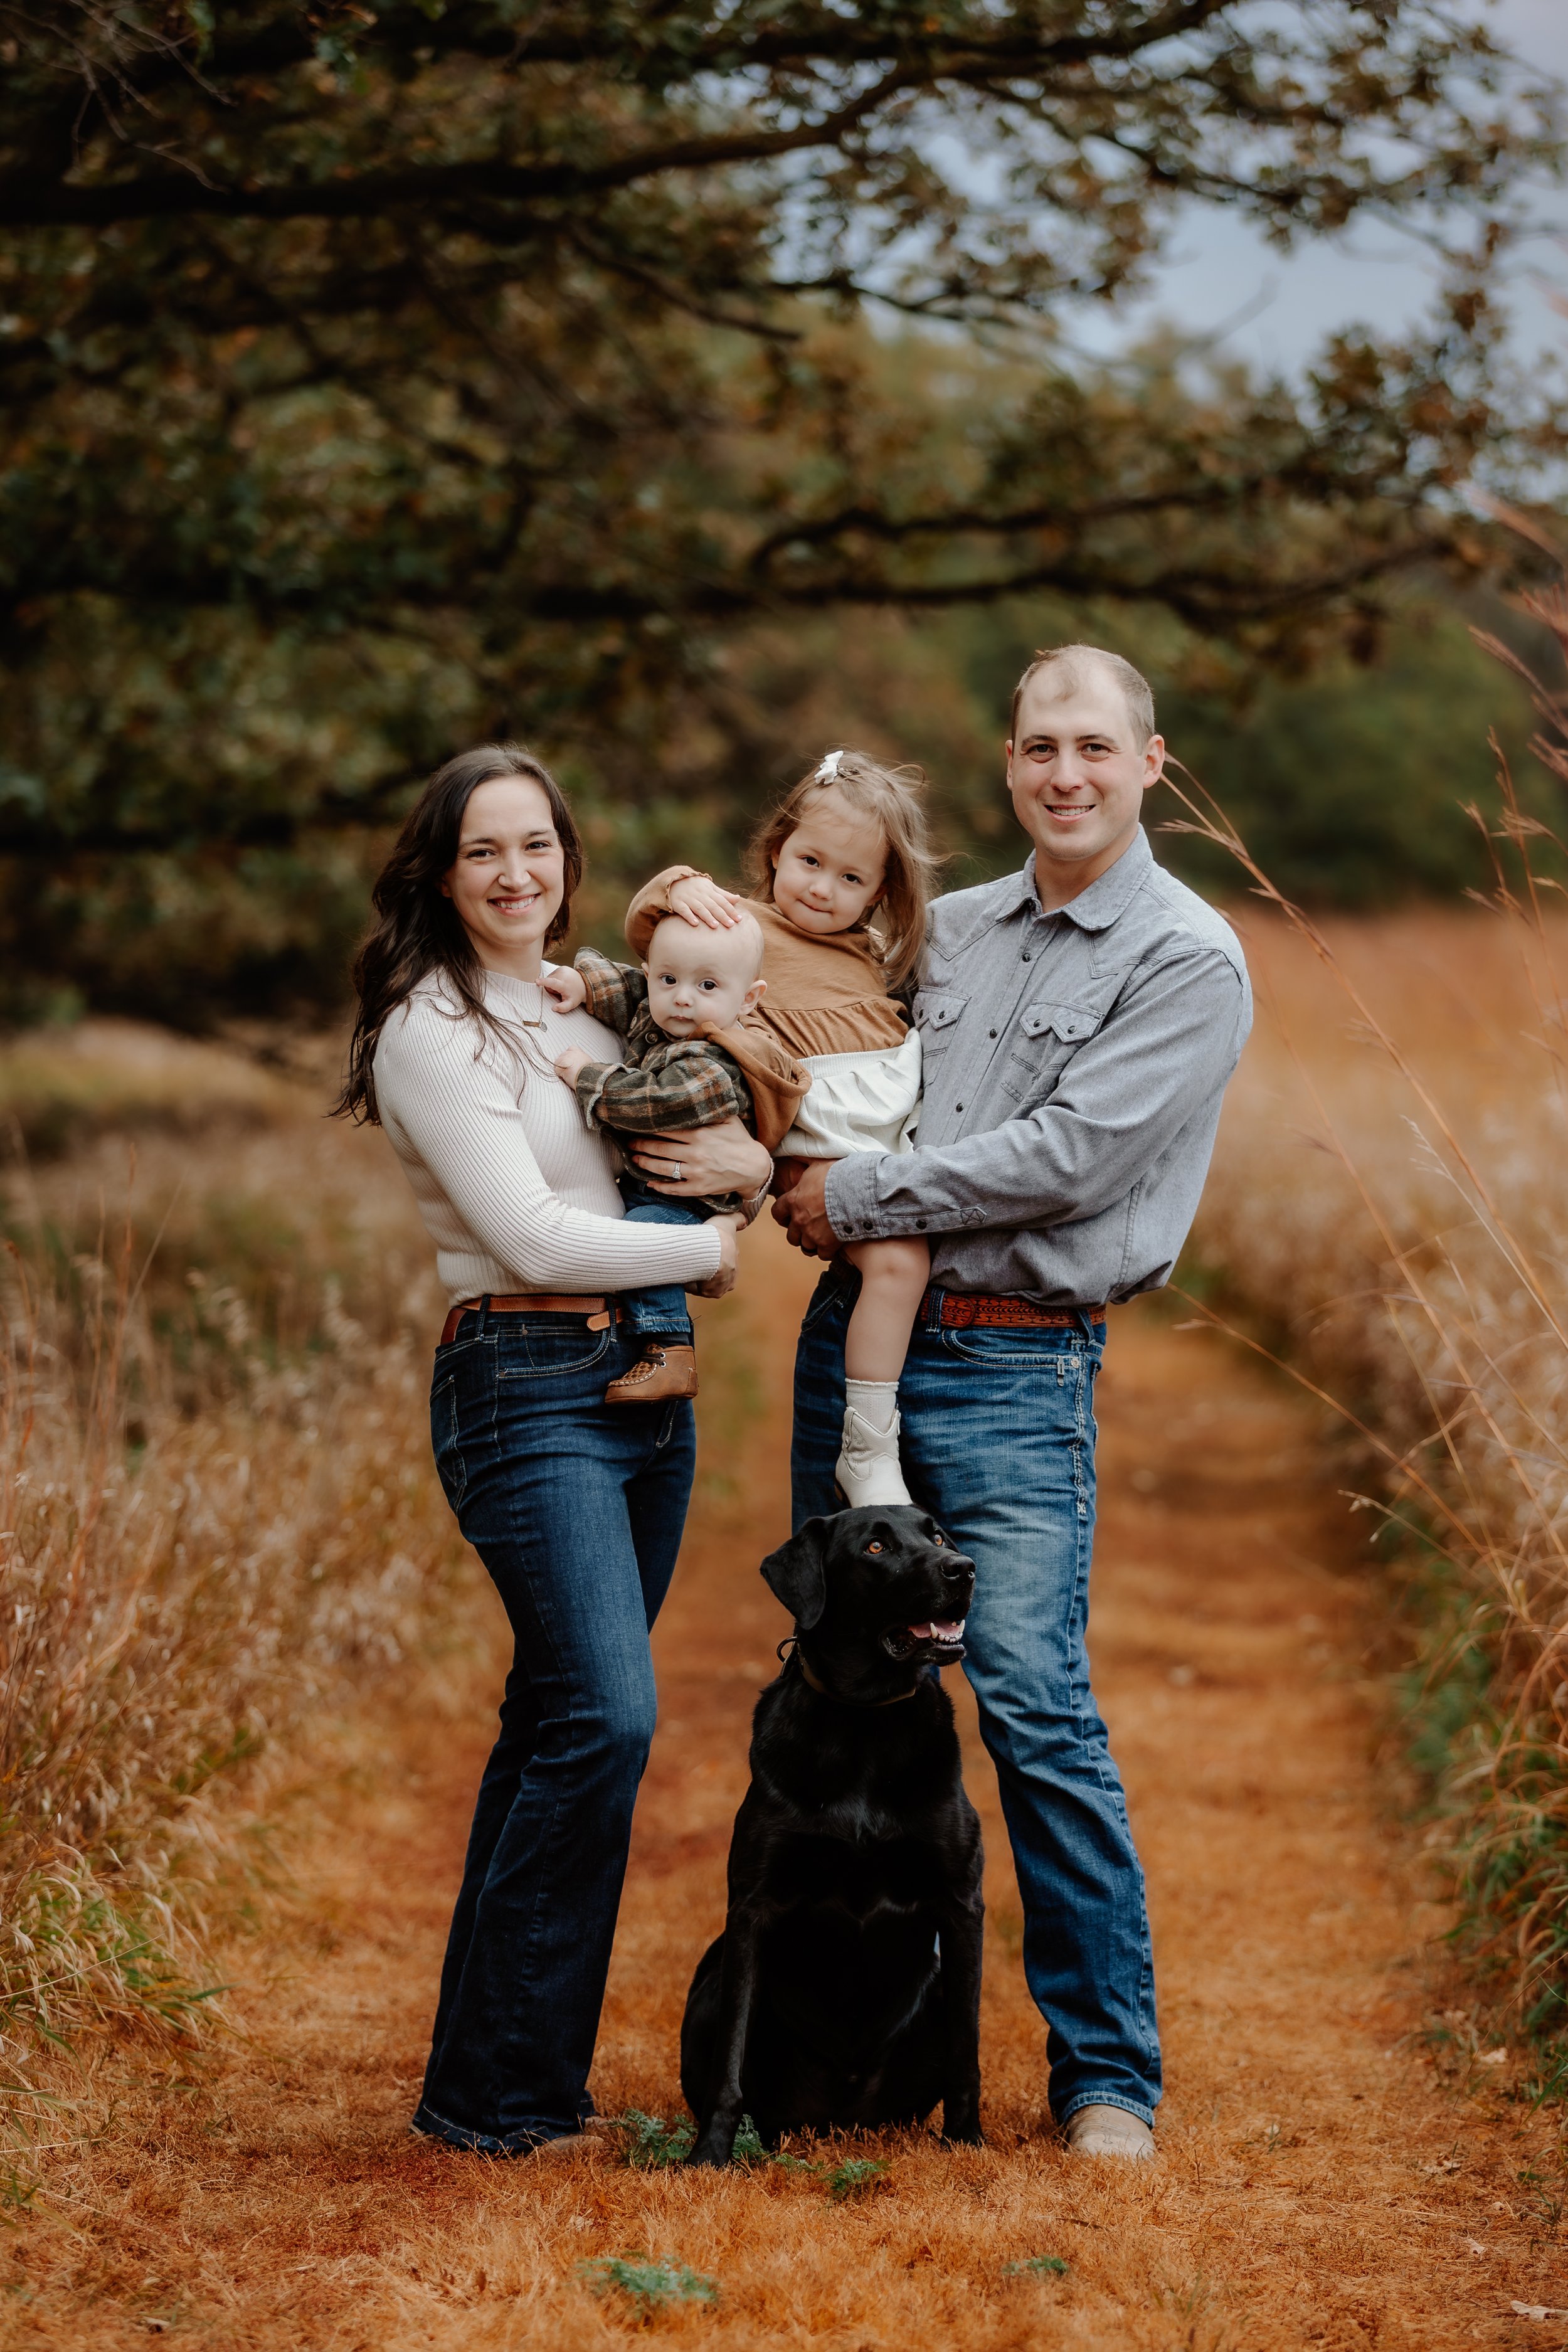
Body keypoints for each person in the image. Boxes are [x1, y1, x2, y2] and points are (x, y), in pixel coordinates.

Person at [773, 648, 1253, 2161]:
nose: (1065, 772)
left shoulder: (1188, 957)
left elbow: (1068, 1157)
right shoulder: (951, 929)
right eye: (1039, 744)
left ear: (1149, 760)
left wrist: (854, 1189)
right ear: (1007, 760)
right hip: (861, 1336)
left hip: (1016, 1364)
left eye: (1094, 747)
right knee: (833, 1676)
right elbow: (812, 1011)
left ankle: (1106, 2072)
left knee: (1034, 1705)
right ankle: (820, 2047)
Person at [334, 741, 772, 2156]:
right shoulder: (431, 1028)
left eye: (538, 845)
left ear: (570, 861)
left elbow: (715, 1125)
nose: (517, 874)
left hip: (640, 1386)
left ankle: (498, 2093)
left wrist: (749, 1176)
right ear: (440, 873)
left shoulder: (589, 1020)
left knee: (556, 1727)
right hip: (522, 1379)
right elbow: (524, 1236)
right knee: (607, 1717)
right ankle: (504, 2096)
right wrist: (707, 1250)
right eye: (483, 851)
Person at [625, 748, 940, 1507]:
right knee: (901, 1264)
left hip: (869, 1140)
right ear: (776, 851)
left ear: (880, 893)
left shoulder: (874, 957)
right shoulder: (739, 928)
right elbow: (652, 933)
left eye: (851, 878)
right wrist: (682, 885)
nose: (822, 889)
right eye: (809, 861)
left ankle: (867, 1431)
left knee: (898, 1264)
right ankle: (868, 1446)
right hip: (807, 1132)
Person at [543, 908, 810, 1404]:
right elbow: (630, 993)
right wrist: (584, 984)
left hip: (692, 1201)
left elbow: (657, 1102)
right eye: (668, 978)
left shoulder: (716, 1062)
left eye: (708, 986)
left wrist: (589, 1076)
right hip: (656, 1184)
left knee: (649, 1232)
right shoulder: (666, 1015)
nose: (683, 997)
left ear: (748, 999)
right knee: (643, 1225)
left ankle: (671, 1351)